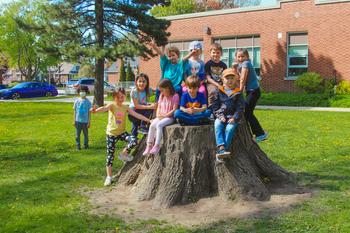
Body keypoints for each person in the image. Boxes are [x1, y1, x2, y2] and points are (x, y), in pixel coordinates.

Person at [91, 88, 151, 186]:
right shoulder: (112, 105)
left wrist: (149, 121)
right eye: (118, 97)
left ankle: (123, 154)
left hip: (122, 133)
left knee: (134, 140)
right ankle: (109, 177)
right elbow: (103, 108)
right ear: (114, 97)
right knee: (110, 156)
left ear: (125, 97)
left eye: (122, 97)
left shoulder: (125, 107)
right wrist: (95, 111)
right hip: (111, 134)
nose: (120, 99)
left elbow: (137, 115)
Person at [234, 48, 268, 142]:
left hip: (254, 91)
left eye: (242, 56)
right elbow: (238, 77)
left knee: (248, 113)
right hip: (251, 91)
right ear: (236, 57)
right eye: (238, 57)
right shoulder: (240, 65)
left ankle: (260, 134)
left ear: (247, 57)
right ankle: (257, 133)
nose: (240, 58)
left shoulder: (246, 64)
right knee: (247, 113)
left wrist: (239, 92)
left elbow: (242, 79)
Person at [211, 68, 244, 163]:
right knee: (217, 125)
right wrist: (220, 116)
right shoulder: (218, 91)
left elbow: (240, 107)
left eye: (232, 78)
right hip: (221, 116)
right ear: (222, 79)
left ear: (236, 79)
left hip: (232, 117)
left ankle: (222, 151)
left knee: (229, 129)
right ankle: (221, 147)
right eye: (227, 78)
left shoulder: (238, 93)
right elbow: (215, 107)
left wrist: (235, 117)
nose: (230, 80)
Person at [143, 79, 179, 156]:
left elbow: (174, 109)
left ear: (168, 88)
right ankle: (149, 145)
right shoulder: (161, 96)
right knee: (152, 125)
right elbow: (159, 106)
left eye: (162, 90)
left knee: (159, 125)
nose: (161, 92)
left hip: (169, 117)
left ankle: (157, 145)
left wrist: (165, 116)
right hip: (161, 116)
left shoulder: (175, 96)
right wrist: (158, 114)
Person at [128, 73, 157, 138]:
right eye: (140, 81)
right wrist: (149, 106)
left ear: (147, 82)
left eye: (144, 81)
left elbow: (156, 91)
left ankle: (142, 126)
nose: (142, 83)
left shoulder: (148, 90)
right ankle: (134, 137)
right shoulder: (134, 91)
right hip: (134, 111)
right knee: (135, 123)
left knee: (151, 108)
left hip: (143, 109)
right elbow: (136, 106)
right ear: (136, 82)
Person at [205, 43, 227, 107]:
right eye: (213, 52)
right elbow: (208, 78)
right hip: (211, 83)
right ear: (210, 53)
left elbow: (225, 77)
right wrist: (217, 85)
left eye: (218, 52)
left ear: (221, 53)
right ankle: (211, 109)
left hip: (221, 83)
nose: (215, 54)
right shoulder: (208, 64)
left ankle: (224, 108)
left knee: (228, 91)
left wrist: (224, 84)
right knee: (213, 91)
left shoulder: (223, 65)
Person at [73, 85, 92, 150]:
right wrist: (74, 120)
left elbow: (89, 113)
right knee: (77, 135)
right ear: (79, 92)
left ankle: (86, 145)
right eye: (81, 91)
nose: (82, 92)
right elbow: (75, 111)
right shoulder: (76, 101)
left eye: (83, 91)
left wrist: (89, 122)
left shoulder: (88, 102)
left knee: (86, 135)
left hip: (85, 121)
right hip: (78, 121)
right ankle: (78, 146)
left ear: (86, 92)